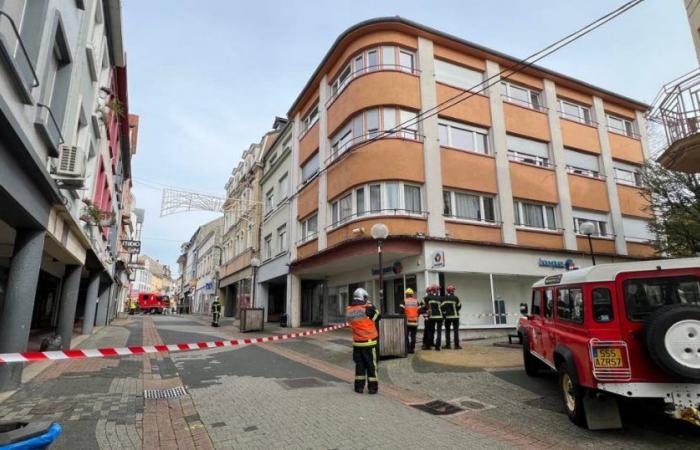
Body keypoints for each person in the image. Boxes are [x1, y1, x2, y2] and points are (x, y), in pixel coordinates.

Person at [346, 288, 380, 394]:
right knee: (371, 366)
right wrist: (372, 306)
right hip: (369, 342)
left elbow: (350, 324)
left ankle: (359, 387)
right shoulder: (367, 309)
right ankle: (372, 388)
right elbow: (378, 317)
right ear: (363, 297)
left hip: (357, 342)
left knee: (359, 366)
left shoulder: (349, 310)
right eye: (366, 297)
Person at [399, 288, 421, 354]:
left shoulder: (404, 301)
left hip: (407, 321)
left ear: (406, 294)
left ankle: (408, 348)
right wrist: (416, 316)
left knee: (406, 336)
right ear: (412, 294)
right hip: (415, 321)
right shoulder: (416, 301)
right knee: (413, 336)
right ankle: (412, 349)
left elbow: (401, 311)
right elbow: (420, 311)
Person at [441, 285, 462, 350]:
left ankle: (448, 345)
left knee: (447, 331)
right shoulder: (456, 298)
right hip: (456, 316)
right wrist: (456, 310)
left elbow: (442, 307)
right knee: (456, 331)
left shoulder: (445, 298)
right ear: (452, 291)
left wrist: (445, 313)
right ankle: (457, 345)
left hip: (448, 317)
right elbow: (459, 306)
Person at [427, 284, 444, 351]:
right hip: (440, 316)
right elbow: (443, 307)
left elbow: (424, 305)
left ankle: (429, 345)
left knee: (430, 331)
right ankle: (437, 346)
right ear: (435, 290)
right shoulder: (440, 298)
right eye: (438, 289)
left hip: (432, 317)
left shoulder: (428, 297)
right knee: (439, 331)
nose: (438, 291)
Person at [421, 285, 435, 350]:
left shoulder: (425, 298)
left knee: (429, 330)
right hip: (430, 317)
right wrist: (426, 316)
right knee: (429, 330)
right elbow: (422, 309)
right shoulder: (426, 299)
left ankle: (429, 343)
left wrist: (425, 317)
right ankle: (427, 343)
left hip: (430, 317)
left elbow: (421, 308)